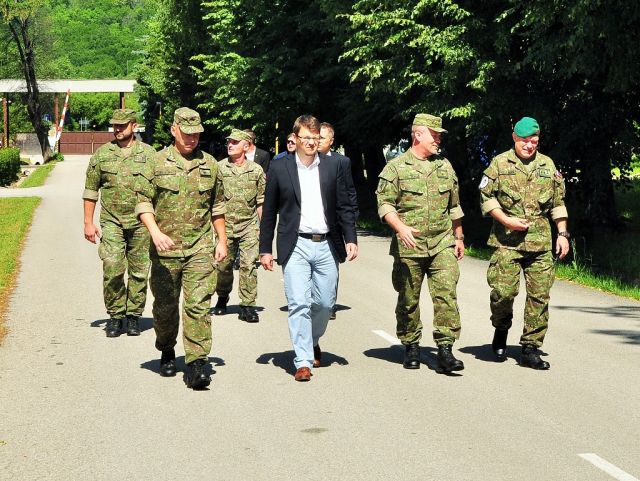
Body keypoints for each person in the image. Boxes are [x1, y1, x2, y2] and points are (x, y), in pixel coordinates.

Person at [259, 114, 358, 382]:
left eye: (315, 138)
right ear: (295, 138)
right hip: (296, 244)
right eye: (306, 138)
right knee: (299, 303)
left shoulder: (333, 166)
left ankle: (312, 340)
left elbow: (344, 206)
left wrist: (351, 237)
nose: (312, 142)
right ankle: (302, 360)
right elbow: (269, 211)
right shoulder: (280, 167)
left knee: (324, 304)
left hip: (327, 243)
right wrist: (265, 249)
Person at [135, 107, 227, 389]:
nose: (191, 138)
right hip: (165, 250)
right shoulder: (155, 162)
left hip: (200, 247)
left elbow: (217, 206)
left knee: (198, 305)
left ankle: (196, 363)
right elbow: (143, 202)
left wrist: (222, 240)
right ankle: (166, 348)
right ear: (174, 130)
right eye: (186, 133)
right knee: (165, 307)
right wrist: (155, 232)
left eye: (196, 134)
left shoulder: (210, 165)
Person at [376, 113, 465, 374]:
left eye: (439, 135)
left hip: (442, 242)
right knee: (408, 298)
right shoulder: (396, 168)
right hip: (410, 245)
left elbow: (454, 206)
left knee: (446, 294)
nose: (438, 139)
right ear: (417, 135)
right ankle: (411, 345)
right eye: (434, 135)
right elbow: (385, 204)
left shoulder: (445, 166)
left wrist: (459, 237)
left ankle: (445, 350)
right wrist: (400, 228)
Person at [479, 116, 569, 369]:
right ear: (514, 138)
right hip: (506, 241)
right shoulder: (499, 164)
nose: (529, 145)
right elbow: (486, 198)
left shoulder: (547, 165)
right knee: (503, 293)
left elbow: (558, 203)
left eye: (534, 141)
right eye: (524, 141)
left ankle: (530, 348)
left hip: (540, 243)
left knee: (539, 297)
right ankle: (501, 329)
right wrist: (506, 220)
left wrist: (563, 234)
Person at [83, 108, 156, 338]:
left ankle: (133, 315)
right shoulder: (102, 154)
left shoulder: (150, 154)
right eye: (115, 125)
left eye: (122, 126)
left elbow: (160, 191)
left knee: (139, 271)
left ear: (134, 126)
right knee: (112, 266)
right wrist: (88, 222)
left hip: (141, 223)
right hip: (112, 221)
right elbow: (91, 190)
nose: (117, 129)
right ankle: (115, 315)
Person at [212, 129, 266, 322]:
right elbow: (213, 200)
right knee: (223, 267)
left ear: (246, 146)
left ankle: (247, 305)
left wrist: (263, 229)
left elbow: (260, 202)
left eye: (235, 142)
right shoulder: (219, 168)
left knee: (248, 265)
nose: (230, 145)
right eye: (229, 142)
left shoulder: (256, 170)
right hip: (225, 227)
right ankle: (222, 295)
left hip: (249, 226)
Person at [317, 122, 359, 319]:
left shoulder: (341, 162)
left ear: (331, 141)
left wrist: (351, 220)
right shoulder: (306, 161)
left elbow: (348, 192)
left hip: (335, 221)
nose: (317, 141)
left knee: (331, 263)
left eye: (322, 138)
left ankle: (329, 302)